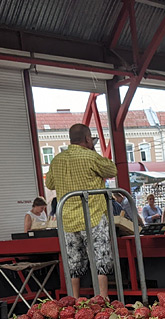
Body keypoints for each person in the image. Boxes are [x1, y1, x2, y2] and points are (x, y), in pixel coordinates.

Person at [45, 123, 117, 299]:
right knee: (100, 256)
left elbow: (50, 184)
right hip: (92, 214)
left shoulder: (57, 160)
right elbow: (112, 170)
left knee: (74, 260)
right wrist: (93, 150)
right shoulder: (90, 157)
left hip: (68, 218)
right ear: (87, 139)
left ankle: (75, 299)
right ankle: (102, 297)